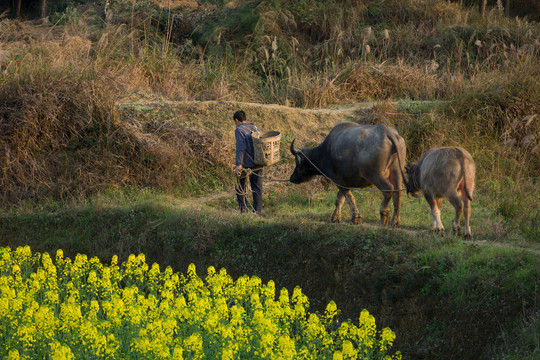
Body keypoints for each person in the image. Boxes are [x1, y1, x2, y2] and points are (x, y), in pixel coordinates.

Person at [233, 110, 263, 214]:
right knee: (257, 188)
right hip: (259, 162)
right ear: (245, 118)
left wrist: (238, 165)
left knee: (240, 186)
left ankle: (244, 210)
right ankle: (257, 212)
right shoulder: (256, 128)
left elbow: (241, 147)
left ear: (237, 120)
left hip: (247, 164)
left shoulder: (239, 129)